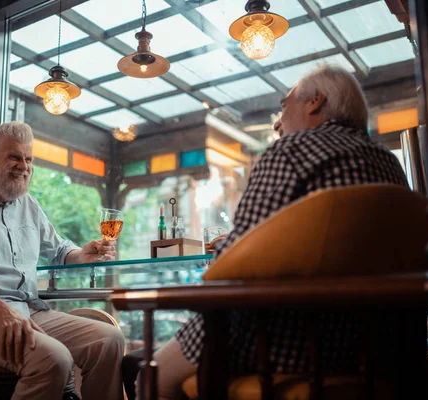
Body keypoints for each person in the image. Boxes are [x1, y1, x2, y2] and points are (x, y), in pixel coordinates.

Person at [135, 65, 413, 399]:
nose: (278, 122)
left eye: (283, 106)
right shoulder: (390, 163)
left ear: (314, 102)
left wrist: (228, 252)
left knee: (151, 377)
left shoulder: (291, 150)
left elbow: (230, 269)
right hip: (379, 352)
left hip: (284, 343)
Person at [0, 121, 124, 400]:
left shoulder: (30, 205)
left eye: (28, 159)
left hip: (30, 311)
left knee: (109, 340)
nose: (24, 165)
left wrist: (83, 254)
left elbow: (61, 250)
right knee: (55, 359)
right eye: (14, 156)